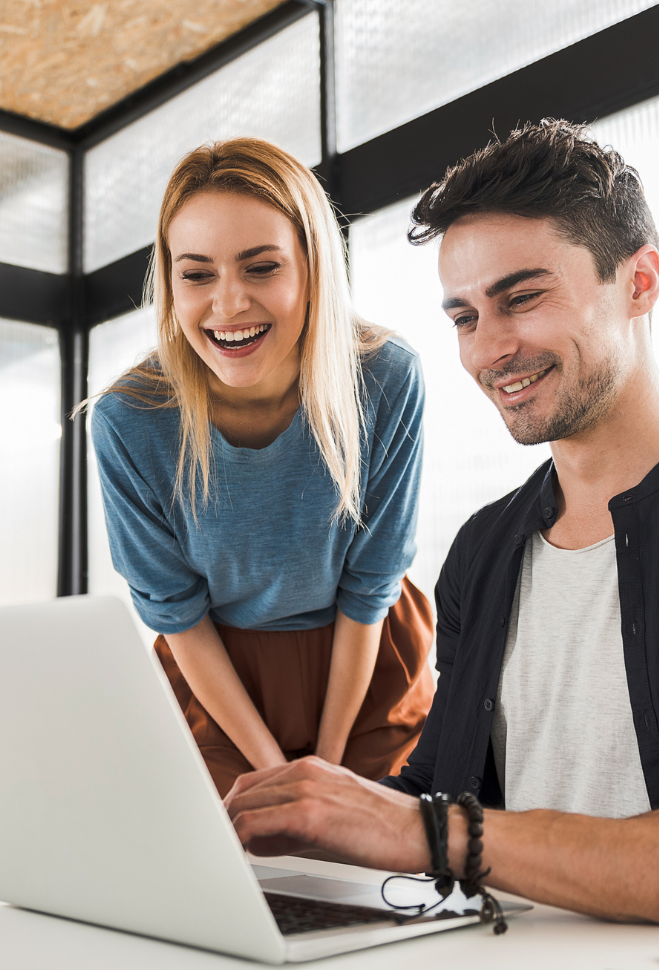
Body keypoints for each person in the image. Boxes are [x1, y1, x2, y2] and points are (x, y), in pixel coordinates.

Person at [225, 120, 659, 939]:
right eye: (463, 316)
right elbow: (443, 782)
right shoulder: (483, 550)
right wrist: (296, 825)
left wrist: (430, 833)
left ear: (640, 281)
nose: (490, 350)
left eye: (522, 297)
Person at [91, 138, 433, 798]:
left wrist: (327, 772)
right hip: (219, 681)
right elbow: (177, 613)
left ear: (312, 268)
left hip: (365, 662)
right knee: (238, 872)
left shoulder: (388, 379)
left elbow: (371, 586)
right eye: (196, 274)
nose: (228, 305)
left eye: (261, 268)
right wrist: (278, 772)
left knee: (377, 863)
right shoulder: (128, 420)